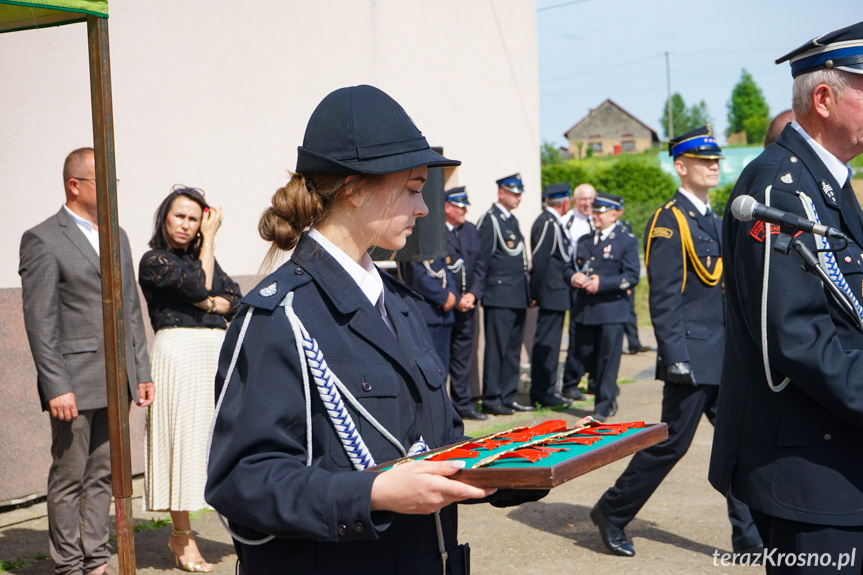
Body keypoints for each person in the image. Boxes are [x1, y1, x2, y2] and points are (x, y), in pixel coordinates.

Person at [205, 85, 553, 575]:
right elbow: (240, 483)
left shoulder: (402, 306)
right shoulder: (279, 316)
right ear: (353, 188)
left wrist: (517, 467)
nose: (424, 207)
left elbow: (436, 450)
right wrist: (371, 494)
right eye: (413, 188)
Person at [710, 21, 863, 565]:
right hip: (811, 471)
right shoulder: (779, 186)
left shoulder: (830, 183)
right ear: (825, 98)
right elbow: (795, 340)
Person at [591, 126, 761, 557]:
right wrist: (674, 356)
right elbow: (664, 297)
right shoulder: (670, 220)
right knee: (670, 445)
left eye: (716, 160)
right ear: (681, 167)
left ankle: (748, 538)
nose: (714, 166)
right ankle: (612, 510)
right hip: (692, 355)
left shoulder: (711, 216)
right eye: (705, 161)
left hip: (722, 354)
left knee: (739, 446)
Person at [19, 147, 155, 575]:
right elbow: (41, 321)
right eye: (105, 181)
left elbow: (130, 308)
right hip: (73, 383)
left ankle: (96, 559)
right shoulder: (43, 238)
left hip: (117, 381)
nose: (113, 189)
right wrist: (55, 384)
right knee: (69, 477)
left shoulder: (118, 235)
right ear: (75, 185)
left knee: (103, 476)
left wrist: (141, 371)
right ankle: (67, 564)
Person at [138, 186, 242, 572]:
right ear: (165, 217)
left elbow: (235, 296)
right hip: (179, 355)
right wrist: (207, 291)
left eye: (195, 219)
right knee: (181, 442)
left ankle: (233, 522)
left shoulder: (202, 258)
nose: (186, 224)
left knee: (216, 440)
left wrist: (210, 300)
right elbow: (200, 285)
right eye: (179, 216)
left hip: (211, 357)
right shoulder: (154, 261)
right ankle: (182, 535)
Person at [566, 193, 639, 422]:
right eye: (594, 211)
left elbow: (632, 276)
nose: (594, 215)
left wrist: (603, 283)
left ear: (615, 214)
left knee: (607, 360)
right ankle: (606, 394)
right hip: (585, 311)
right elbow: (568, 267)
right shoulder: (584, 240)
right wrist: (573, 277)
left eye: (600, 211)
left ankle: (602, 406)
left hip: (611, 310)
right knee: (585, 355)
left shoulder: (626, 241)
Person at [476, 173, 533, 415]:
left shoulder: (511, 220)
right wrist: (481, 292)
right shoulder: (490, 220)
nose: (518, 197)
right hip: (498, 295)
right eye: (514, 193)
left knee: (511, 349)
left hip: (517, 295)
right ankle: (492, 398)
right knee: (497, 349)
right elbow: (482, 260)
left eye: (520, 193)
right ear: (501, 193)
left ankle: (508, 395)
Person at [528, 183, 578, 408]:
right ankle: (541, 390)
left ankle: (548, 388)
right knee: (546, 344)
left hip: (556, 293)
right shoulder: (547, 222)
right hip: (550, 292)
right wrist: (534, 292)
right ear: (565, 203)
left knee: (553, 345)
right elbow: (540, 261)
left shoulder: (554, 222)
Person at [443, 186, 487, 421]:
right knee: (442, 360)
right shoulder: (437, 232)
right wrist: (455, 298)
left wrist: (473, 294)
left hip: (468, 305)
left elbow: (479, 265)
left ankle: (463, 405)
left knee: (463, 358)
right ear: (447, 207)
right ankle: (443, 408)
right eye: (460, 206)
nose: (465, 210)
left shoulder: (470, 230)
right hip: (446, 307)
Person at [561, 183, 596, 397]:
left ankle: (593, 379)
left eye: (591, 199)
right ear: (574, 201)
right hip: (575, 286)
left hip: (596, 287)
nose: (587, 204)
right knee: (577, 337)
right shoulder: (567, 222)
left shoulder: (597, 218)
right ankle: (570, 383)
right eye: (583, 199)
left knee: (596, 337)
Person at [400, 255, 456, 376]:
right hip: (427, 314)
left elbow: (447, 271)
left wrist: (452, 295)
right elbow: (418, 278)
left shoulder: (437, 245)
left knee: (443, 368)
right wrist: (444, 298)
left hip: (444, 316)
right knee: (429, 370)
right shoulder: (416, 246)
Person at [617, 218, 651, 355]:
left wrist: (627, 283)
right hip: (614, 280)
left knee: (630, 313)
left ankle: (634, 343)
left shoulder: (625, 225)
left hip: (625, 279)